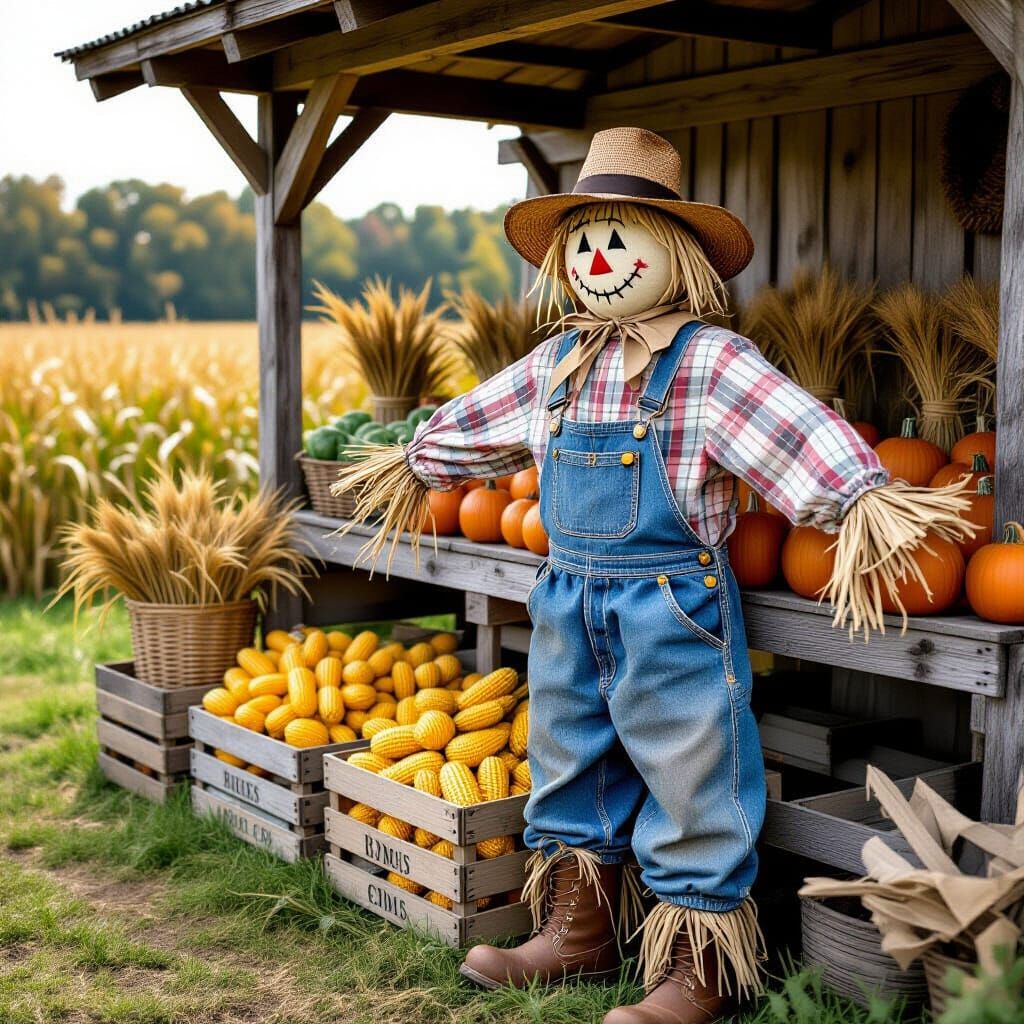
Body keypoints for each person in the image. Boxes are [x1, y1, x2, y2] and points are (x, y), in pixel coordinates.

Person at [335, 127, 973, 1024]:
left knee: (690, 773)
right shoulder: (558, 362)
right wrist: (417, 460)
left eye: (620, 240)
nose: (599, 259)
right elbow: (478, 419)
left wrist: (861, 499)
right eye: (584, 242)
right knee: (569, 758)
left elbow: (792, 429)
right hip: (568, 597)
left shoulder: (709, 362)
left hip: (673, 604)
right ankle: (579, 932)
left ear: (672, 254)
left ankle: (699, 965)